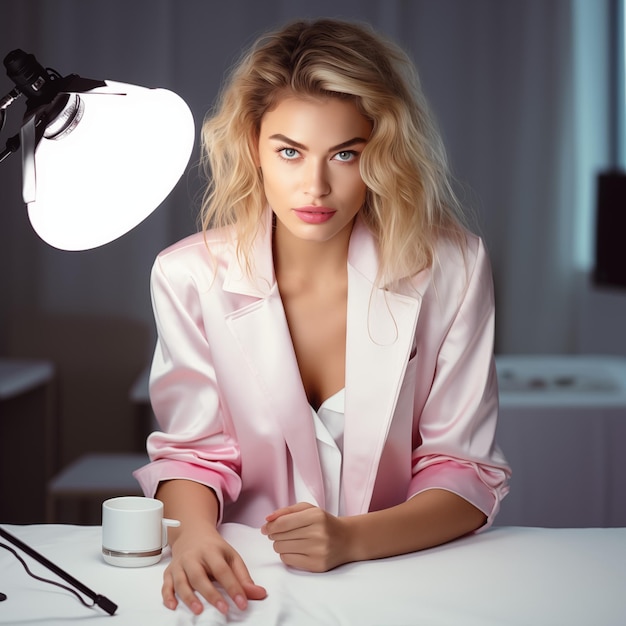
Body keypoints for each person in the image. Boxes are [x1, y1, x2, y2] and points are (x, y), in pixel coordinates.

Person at [134, 17, 511, 617]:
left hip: (408, 576)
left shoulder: (453, 265)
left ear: (382, 152)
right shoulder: (188, 275)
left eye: (345, 154)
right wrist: (195, 534)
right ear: (253, 146)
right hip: (247, 581)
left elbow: (464, 470)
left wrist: (353, 539)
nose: (315, 186)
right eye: (289, 151)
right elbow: (193, 453)